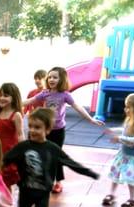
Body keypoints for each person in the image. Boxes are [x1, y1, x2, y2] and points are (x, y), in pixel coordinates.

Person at [4, 108, 99, 207]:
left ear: (47, 130)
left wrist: (89, 173)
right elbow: (6, 159)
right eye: (31, 127)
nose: (33, 131)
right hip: (25, 190)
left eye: (38, 127)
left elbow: (70, 163)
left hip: (43, 193)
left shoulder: (52, 149)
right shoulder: (23, 147)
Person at [21, 66, 104, 194]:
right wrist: (15, 103)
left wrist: (90, 119)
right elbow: (31, 100)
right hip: (46, 129)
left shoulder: (65, 95)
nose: (51, 79)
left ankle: (58, 182)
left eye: (55, 77)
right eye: (50, 77)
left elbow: (77, 106)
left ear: (61, 80)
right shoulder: (45, 93)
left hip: (58, 130)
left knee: (56, 156)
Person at [101, 92, 134, 207]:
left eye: (129, 107)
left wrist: (119, 139)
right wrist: (113, 130)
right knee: (115, 175)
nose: (125, 109)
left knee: (131, 180)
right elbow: (124, 130)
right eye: (126, 106)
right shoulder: (129, 120)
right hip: (123, 155)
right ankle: (112, 194)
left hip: (133, 158)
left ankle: (133, 199)